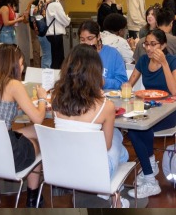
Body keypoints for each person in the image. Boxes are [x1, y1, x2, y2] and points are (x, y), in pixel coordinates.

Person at [51, 45, 129, 202]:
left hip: (62, 167)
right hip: (95, 171)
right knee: (118, 139)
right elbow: (105, 146)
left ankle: (111, 192)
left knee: (121, 148)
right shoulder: (106, 106)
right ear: (96, 71)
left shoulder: (55, 97)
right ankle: (113, 195)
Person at [0, 44, 47, 207]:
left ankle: (33, 195)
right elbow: (38, 118)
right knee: (39, 140)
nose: (22, 68)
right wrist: (42, 98)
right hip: (6, 151)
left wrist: (16, 105)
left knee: (37, 131)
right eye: (21, 64)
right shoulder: (14, 85)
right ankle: (33, 198)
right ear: (11, 64)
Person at [126, 28, 176, 200]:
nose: (149, 48)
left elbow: (174, 90)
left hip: (168, 112)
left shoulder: (172, 61)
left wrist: (164, 64)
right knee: (135, 127)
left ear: (163, 45)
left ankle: (150, 177)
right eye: (146, 44)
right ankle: (150, 171)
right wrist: (123, 87)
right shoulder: (143, 61)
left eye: (153, 44)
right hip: (149, 109)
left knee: (139, 129)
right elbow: (129, 84)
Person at [77, 20, 127, 91]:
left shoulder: (113, 54)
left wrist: (103, 82)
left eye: (90, 38)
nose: (86, 43)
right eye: (82, 40)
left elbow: (123, 83)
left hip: (109, 98)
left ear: (98, 36)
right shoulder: (77, 55)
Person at [44, 0, 71, 68]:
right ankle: (56, 79)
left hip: (53, 34)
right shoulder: (56, 4)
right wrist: (68, 18)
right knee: (58, 60)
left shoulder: (51, 3)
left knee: (57, 58)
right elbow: (65, 21)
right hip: (55, 35)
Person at [24, 0, 45, 67]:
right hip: (34, 29)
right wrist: (26, 15)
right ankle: (37, 69)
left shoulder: (44, 0)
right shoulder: (31, 3)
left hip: (44, 29)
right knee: (36, 51)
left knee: (46, 50)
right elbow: (28, 17)